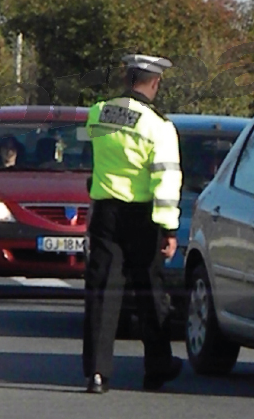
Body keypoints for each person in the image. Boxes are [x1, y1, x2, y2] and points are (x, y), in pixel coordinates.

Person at [82, 54, 183, 394]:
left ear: (126, 79)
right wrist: (169, 229)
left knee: (102, 291)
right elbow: (166, 182)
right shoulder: (159, 126)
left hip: (105, 214)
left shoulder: (98, 113)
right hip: (143, 218)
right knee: (149, 292)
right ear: (154, 83)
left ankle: (97, 372)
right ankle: (157, 368)